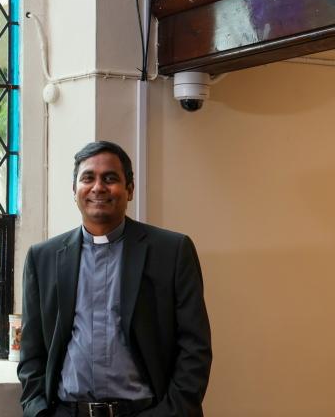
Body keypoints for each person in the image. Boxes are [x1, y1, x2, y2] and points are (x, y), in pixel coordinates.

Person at [19, 141, 212, 417]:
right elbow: (31, 352)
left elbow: (195, 347)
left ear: (129, 190)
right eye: (88, 178)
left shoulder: (171, 251)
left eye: (110, 178)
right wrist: (38, 410)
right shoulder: (43, 258)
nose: (98, 187)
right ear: (74, 190)